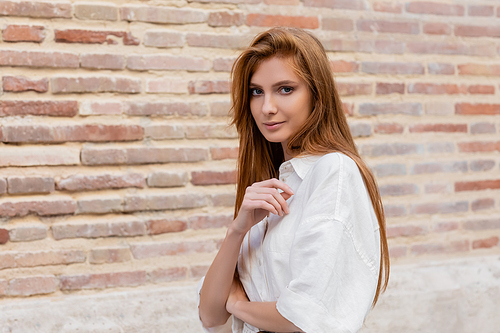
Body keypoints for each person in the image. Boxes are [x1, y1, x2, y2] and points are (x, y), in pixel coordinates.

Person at [198, 27, 389, 333]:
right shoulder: (268, 187)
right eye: (256, 91)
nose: (267, 107)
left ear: (316, 94)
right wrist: (237, 230)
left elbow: (304, 317)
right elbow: (210, 316)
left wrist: (236, 305)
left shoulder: (334, 172)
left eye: (285, 89)